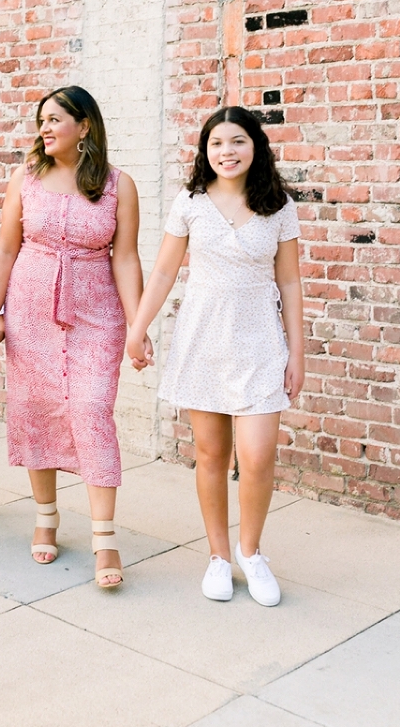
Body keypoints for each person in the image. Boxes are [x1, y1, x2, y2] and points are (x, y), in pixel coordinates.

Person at [127, 105, 304, 606]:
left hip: (260, 341)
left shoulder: (278, 205)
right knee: (210, 454)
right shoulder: (190, 201)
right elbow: (162, 273)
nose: (227, 152)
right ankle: (219, 557)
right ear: (206, 152)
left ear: (256, 147)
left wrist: (298, 352)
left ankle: (251, 552)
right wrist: (137, 330)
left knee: (258, 456)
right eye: (217, 144)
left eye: (237, 141)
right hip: (202, 337)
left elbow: (289, 281)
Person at [0, 86, 146, 589]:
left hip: (97, 311)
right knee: (37, 410)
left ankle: (103, 536)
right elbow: (5, 250)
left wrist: (138, 327)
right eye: (41, 121)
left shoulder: (119, 185)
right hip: (31, 309)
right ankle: (46, 516)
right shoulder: (25, 179)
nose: (45, 129)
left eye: (55, 119)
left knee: (92, 410)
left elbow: (127, 257)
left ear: (85, 125)